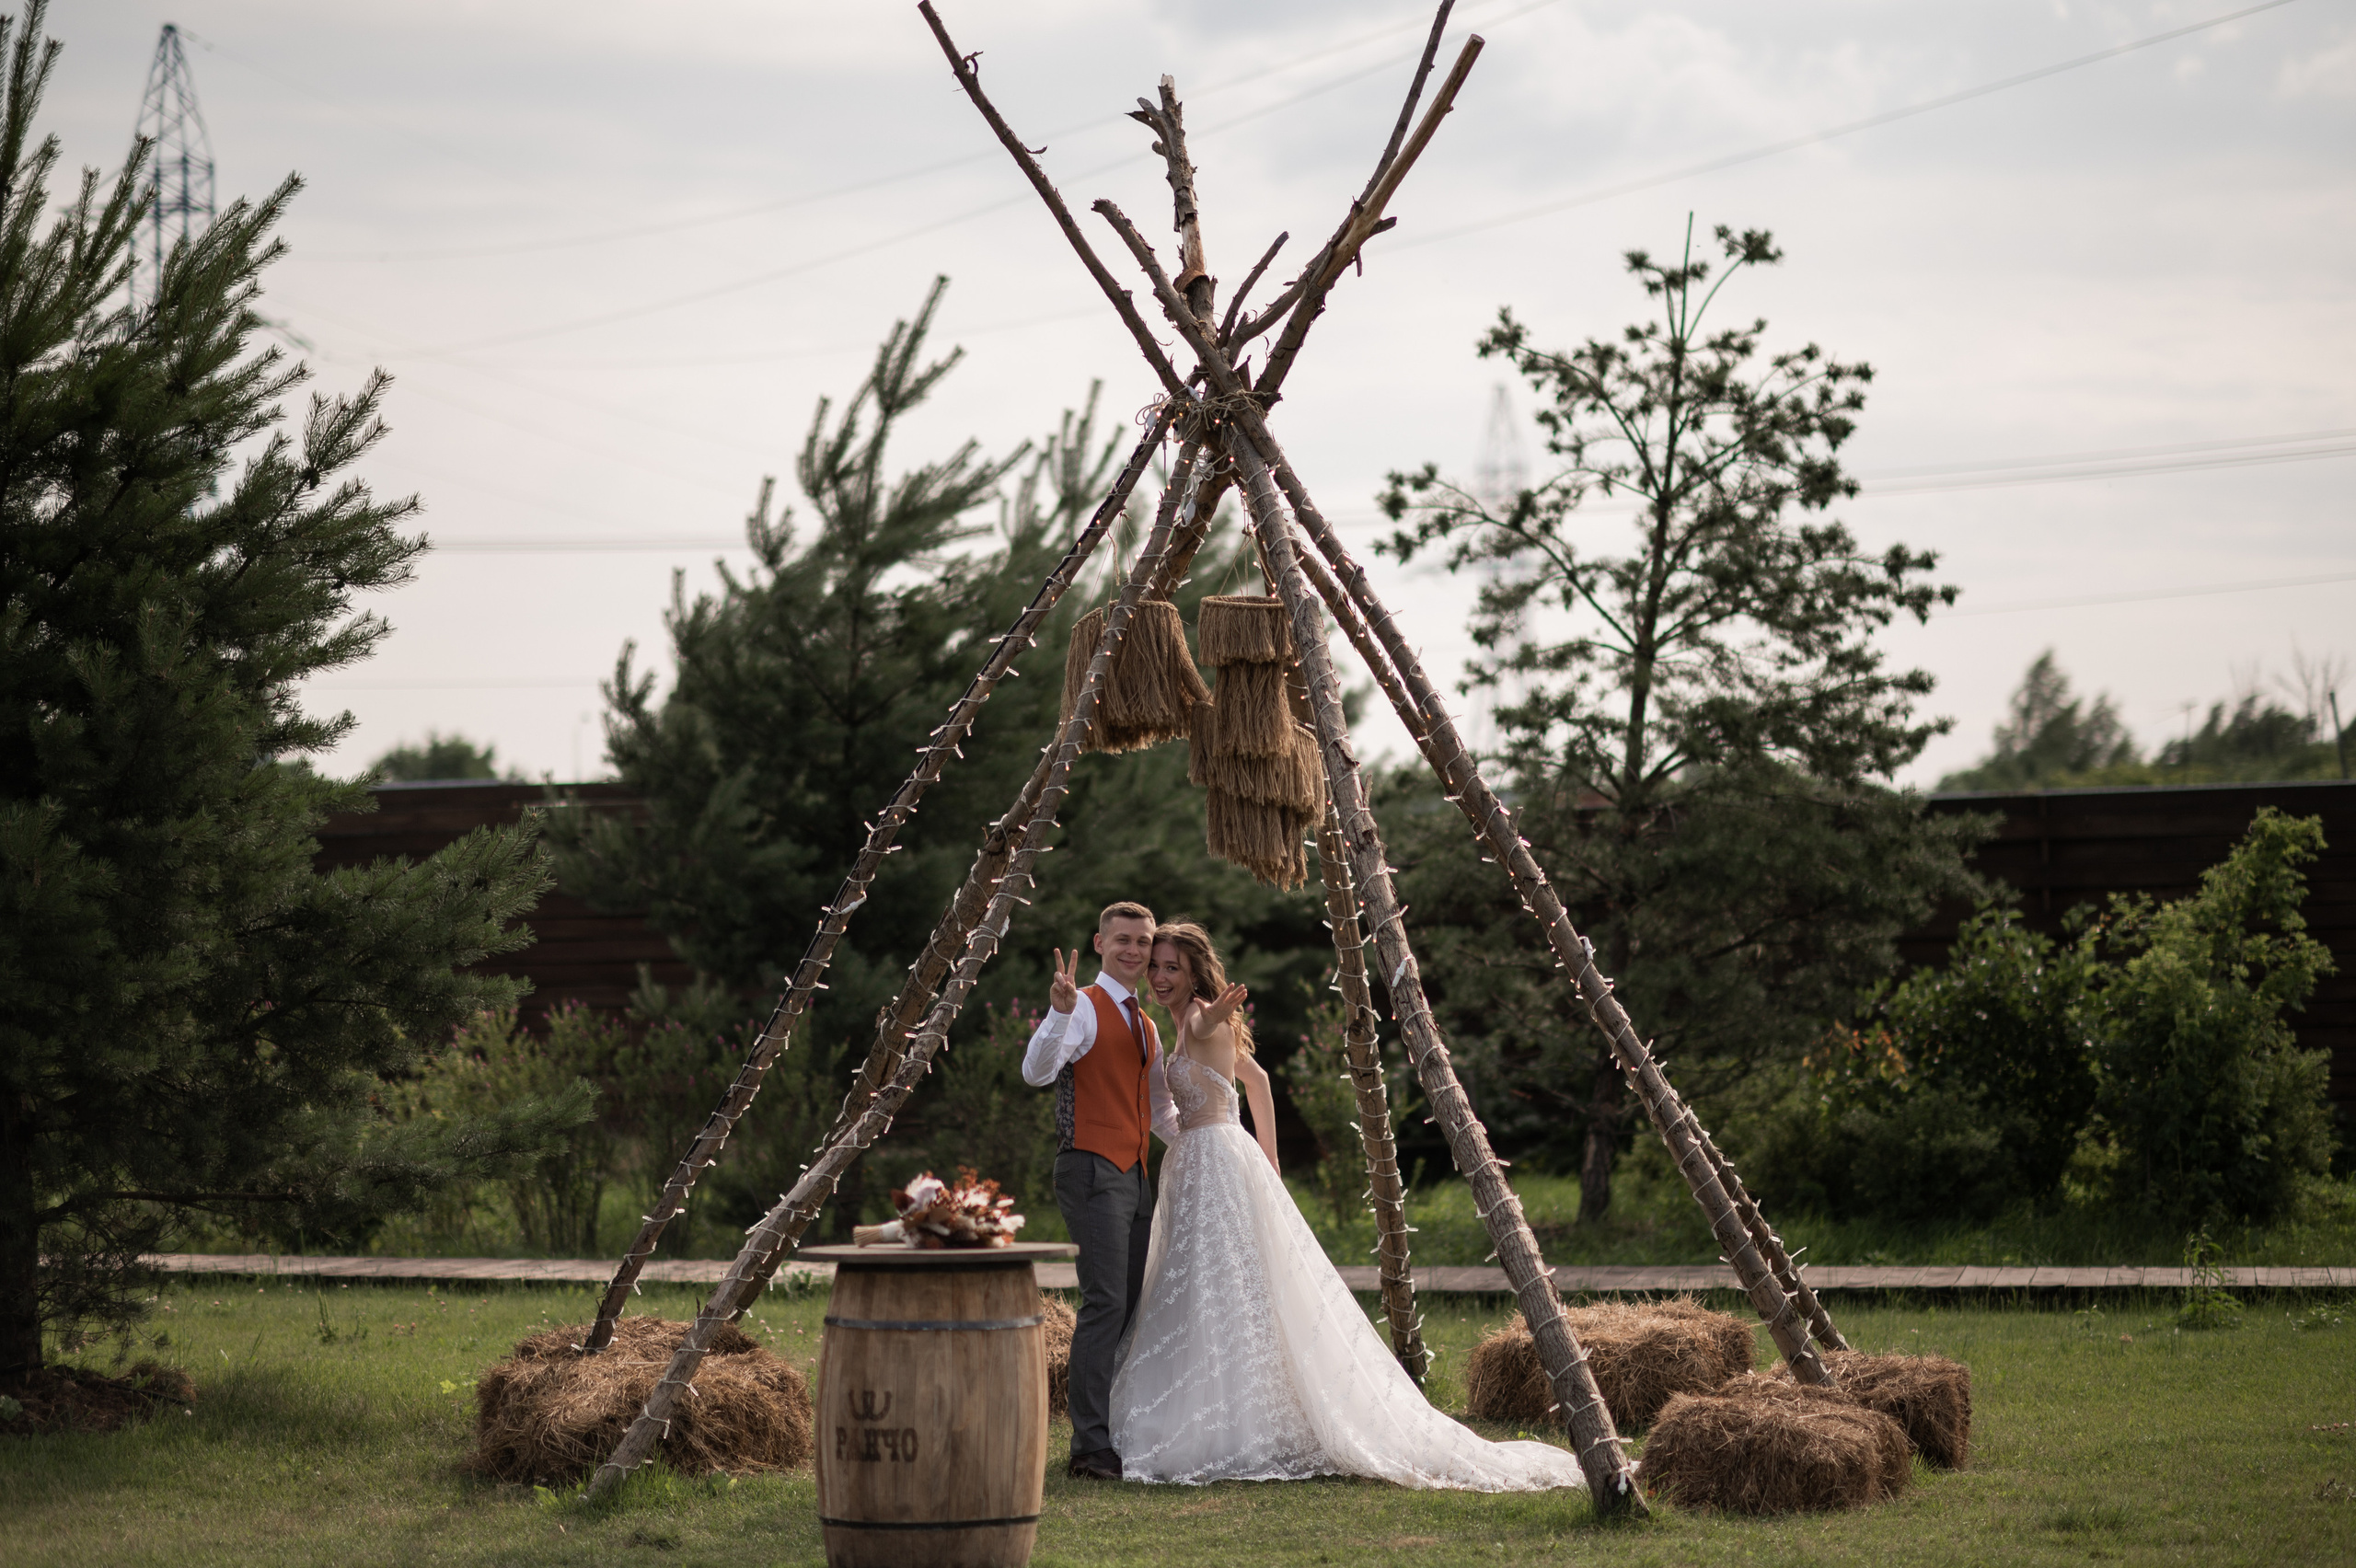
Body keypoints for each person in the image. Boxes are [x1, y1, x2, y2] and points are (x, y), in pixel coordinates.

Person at [1108, 921, 1588, 1492]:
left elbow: (1220, 1041)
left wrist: (1266, 1158)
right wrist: (1265, 1159)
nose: (1160, 977)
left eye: (1172, 968)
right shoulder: (1181, 1024)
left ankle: (1225, 1422)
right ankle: (1217, 1405)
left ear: (1194, 974)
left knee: (1220, 1282)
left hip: (1216, 1161)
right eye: (1156, 966)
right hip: (1202, 1162)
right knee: (1207, 1285)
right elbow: (1257, 1082)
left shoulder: (1196, 1017)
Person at [1022, 900, 1182, 1481]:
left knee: (1130, 1304)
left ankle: (1115, 1427)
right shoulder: (1083, 1008)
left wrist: (1214, 1145)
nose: (1135, 950)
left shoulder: (1145, 1022)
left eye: (1143, 941)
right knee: (1105, 1301)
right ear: (1099, 944)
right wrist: (1057, 1015)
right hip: (1091, 1167)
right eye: (1123, 940)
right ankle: (1089, 1449)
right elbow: (1036, 1073)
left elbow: (1159, 1108)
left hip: (1136, 1173)